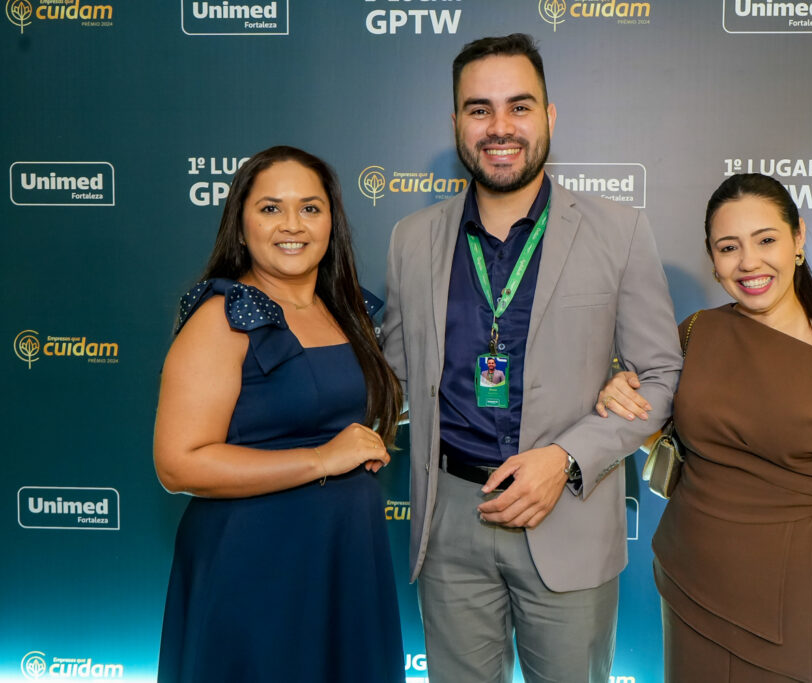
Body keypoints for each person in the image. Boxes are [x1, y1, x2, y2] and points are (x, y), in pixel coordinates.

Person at [381, 34, 682, 683]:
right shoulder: (412, 239)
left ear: (549, 116)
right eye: (479, 108)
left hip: (568, 511)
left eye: (519, 107)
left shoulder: (619, 230)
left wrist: (568, 456)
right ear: (457, 121)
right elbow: (392, 378)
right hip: (449, 518)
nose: (499, 127)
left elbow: (660, 377)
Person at [598, 173, 812, 683]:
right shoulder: (697, 332)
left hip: (800, 598)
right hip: (692, 580)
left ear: (798, 239)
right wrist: (622, 399)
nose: (749, 262)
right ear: (713, 259)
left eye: (766, 240)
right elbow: (659, 438)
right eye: (729, 247)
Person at [153, 145, 405, 683]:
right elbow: (178, 465)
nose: (292, 224)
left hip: (345, 558)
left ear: (332, 223)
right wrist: (322, 459)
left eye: (310, 208)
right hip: (257, 565)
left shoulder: (346, 310)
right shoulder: (223, 317)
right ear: (240, 226)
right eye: (271, 208)